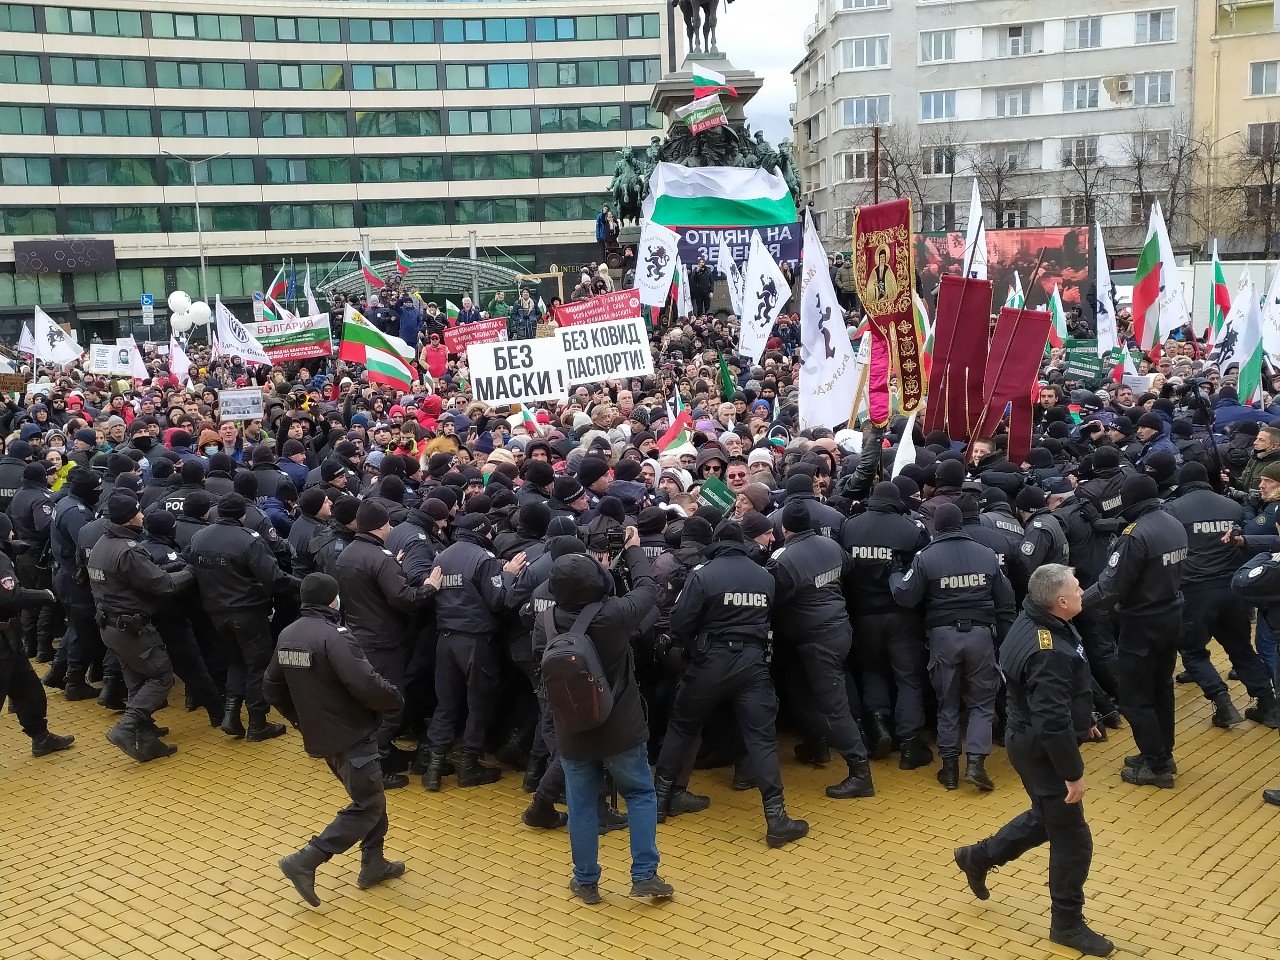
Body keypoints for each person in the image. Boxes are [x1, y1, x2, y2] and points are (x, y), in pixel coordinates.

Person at [953, 564, 1114, 958]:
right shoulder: (1048, 650)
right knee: (1074, 839)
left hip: (1030, 738)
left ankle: (977, 857)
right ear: (1060, 601)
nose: (1082, 591)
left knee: (1046, 817)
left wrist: (1086, 720)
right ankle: (1067, 925)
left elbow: (1059, 693)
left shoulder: (1037, 620)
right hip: (1040, 748)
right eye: (1077, 588)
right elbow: (1051, 721)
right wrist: (1073, 774)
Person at [539, 526, 674, 905]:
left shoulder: (545, 621)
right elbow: (649, 589)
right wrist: (632, 551)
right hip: (621, 726)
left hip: (572, 728)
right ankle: (644, 875)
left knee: (581, 805)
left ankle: (585, 882)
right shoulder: (613, 615)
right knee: (641, 794)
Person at [654, 523, 809, 848]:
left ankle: (659, 802)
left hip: (708, 663)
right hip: (752, 665)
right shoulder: (764, 575)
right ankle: (777, 819)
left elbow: (681, 623)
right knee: (762, 740)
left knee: (682, 728)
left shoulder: (703, 574)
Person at [266, 573, 409, 908]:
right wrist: (394, 699)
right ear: (333, 600)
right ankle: (306, 860)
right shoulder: (334, 636)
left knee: (371, 798)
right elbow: (365, 683)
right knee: (368, 805)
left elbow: (271, 686)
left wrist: (300, 720)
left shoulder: (288, 633)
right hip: (352, 735)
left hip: (323, 738)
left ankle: (373, 864)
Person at [891, 503, 1015, 792]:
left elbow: (905, 596)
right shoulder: (985, 555)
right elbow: (1006, 596)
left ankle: (948, 770)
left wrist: (895, 573)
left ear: (938, 526)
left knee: (947, 703)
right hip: (981, 636)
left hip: (943, 638)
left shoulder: (926, 557)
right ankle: (976, 765)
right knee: (982, 703)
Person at [1082, 475, 1186, 788]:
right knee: (1160, 689)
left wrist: (1072, 604)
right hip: (1169, 617)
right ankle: (1161, 753)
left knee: (1135, 696)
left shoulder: (1135, 535)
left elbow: (1111, 586)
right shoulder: (1172, 523)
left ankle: (1156, 764)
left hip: (1141, 624)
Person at [769, 502, 874, 798]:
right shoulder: (832, 546)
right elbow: (847, 572)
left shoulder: (786, 560)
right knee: (800, 691)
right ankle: (817, 745)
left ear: (784, 528)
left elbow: (774, 598)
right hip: (836, 630)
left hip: (817, 639)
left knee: (833, 706)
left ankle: (860, 772)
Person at [87, 493, 195, 762]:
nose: (143, 516)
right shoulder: (128, 550)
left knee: (137, 679)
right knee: (161, 676)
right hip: (132, 628)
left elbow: (140, 575)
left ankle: (145, 738)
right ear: (128, 518)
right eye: (138, 512)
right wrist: (190, 571)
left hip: (110, 627)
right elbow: (164, 585)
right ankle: (127, 727)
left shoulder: (103, 543)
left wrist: (167, 567)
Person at [186, 493, 299, 742]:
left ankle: (231, 715)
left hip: (216, 613)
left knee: (236, 660)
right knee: (258, 665)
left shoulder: (199, 536)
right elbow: (274, 577)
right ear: (242, 514)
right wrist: (304, 586)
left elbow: (188, 565)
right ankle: (257, 723)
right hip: (247, 612)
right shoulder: (248, 540)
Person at [0, 513, 74, 758]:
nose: (13, 535)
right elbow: (10, 595)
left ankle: (40, 737)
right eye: (10, 531)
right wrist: (44, 595)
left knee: (29, 690)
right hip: (2, 641)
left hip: (11, 641)